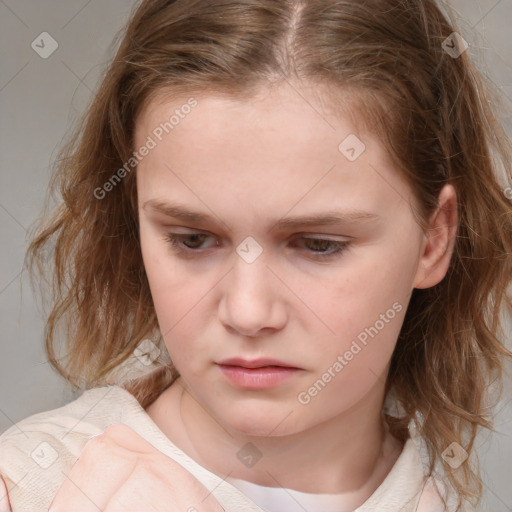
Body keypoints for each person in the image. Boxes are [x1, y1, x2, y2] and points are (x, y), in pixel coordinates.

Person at [1, 0, 511, 510]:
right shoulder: (27, 487)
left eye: (318, 245)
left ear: (433, 238)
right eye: (192, 239)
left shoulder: (432, 492)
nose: (247, 312)